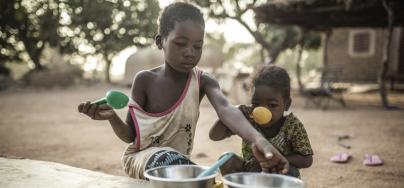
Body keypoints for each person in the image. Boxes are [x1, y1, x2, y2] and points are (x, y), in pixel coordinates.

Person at [78, 2, 288, 179]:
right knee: (177, 164)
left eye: (198, 46)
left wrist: (258, 140)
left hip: (178, 166)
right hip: (143, 159)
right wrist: (112, 117)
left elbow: (226, 109)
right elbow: (130, 136)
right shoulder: (144, 80)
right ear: (160, 41)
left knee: (216, 168)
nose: (190, 53)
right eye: (181, 44)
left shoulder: (204, 81)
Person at [210, 65, 313, 178]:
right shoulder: (247, 117)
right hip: (249, 172)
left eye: (272, 105)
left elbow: (307, 159)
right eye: (256, 103)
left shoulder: (293, 125)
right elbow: (214, 135)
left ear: (287, 105)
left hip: (277, 175)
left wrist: (274, 161)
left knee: (291, 171)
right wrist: (233, 112)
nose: (262, 110)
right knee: (227, 160)